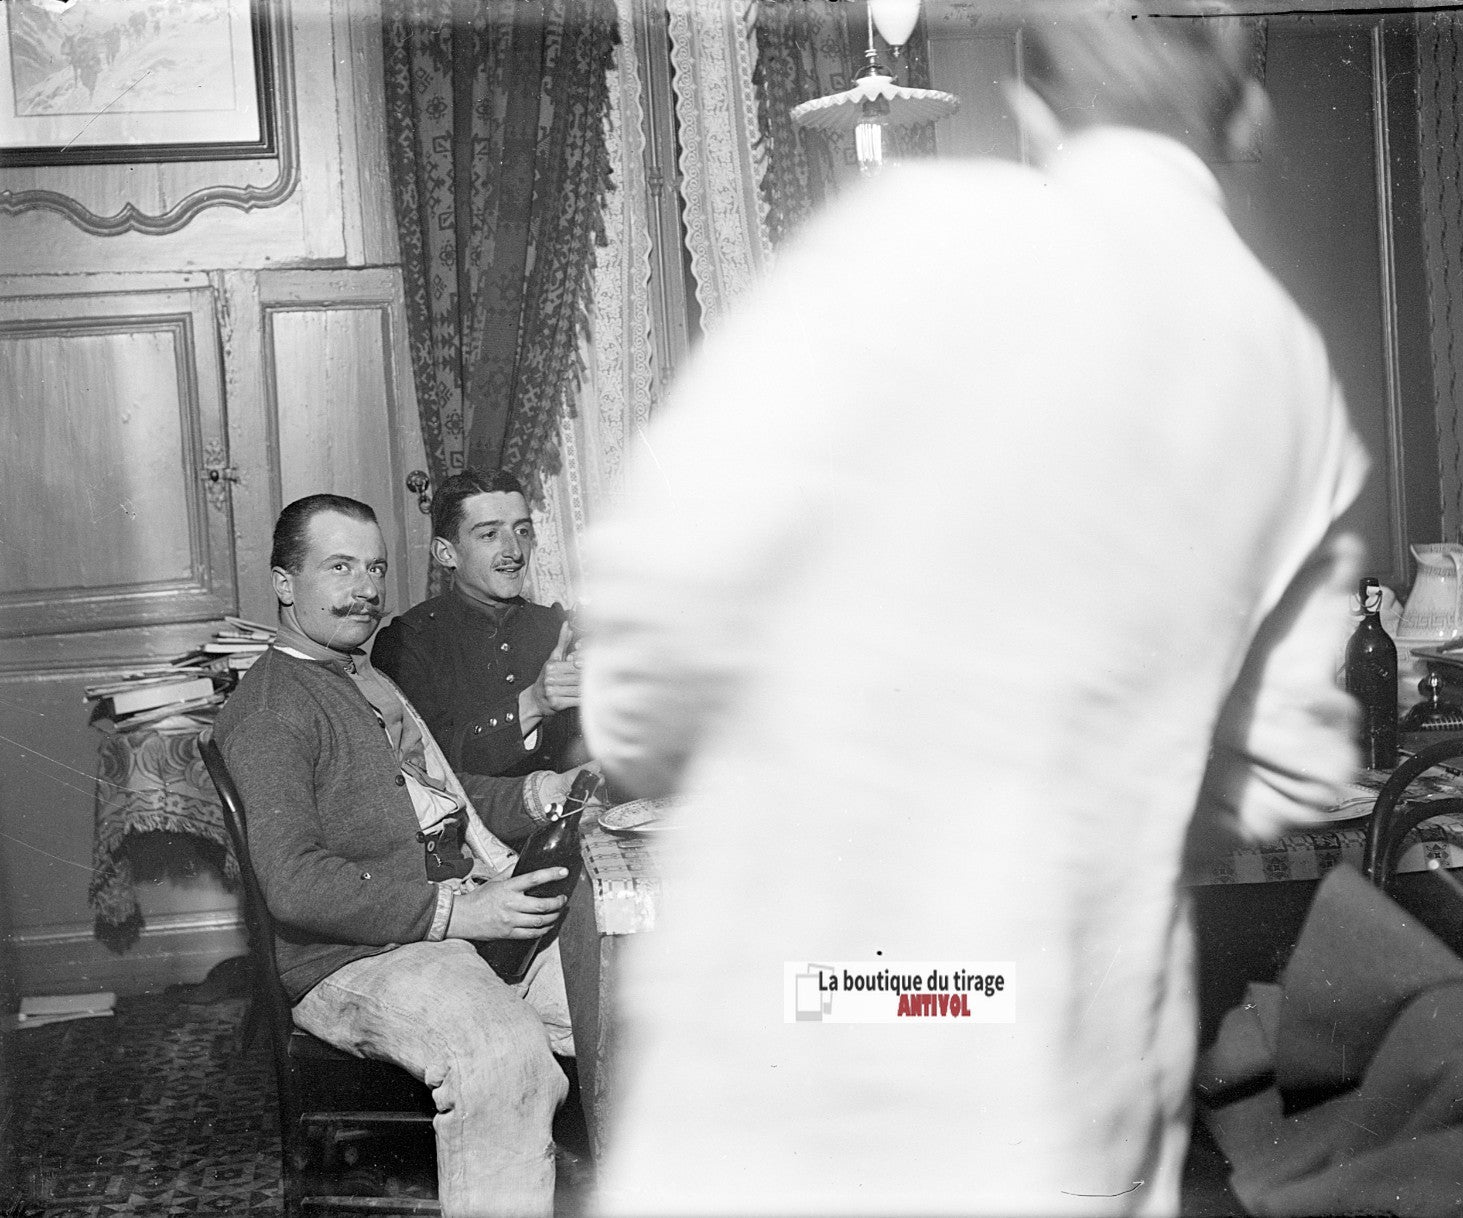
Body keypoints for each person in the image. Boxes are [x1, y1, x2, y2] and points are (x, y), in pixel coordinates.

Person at [577, 6, 1369, 1215]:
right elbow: (1293, 777)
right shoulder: (1291, 374)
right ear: (1245, 117)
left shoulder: (921, 234)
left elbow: (658, 615)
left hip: (820, 1016)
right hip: (1066, 1052)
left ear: (1035, 109)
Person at [213, 493, 583, 1218]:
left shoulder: (357, 674)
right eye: (339, 566)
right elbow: (293, 883)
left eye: (375, 568)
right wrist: (457, 909)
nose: (366, 588)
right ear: (285, 584)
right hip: (352, 958)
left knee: (621, 1001)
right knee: (501, 1058)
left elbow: (433, 793)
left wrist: (539, 791)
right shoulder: (271, 710)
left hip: (437, 924)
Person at [372, 469, 585, 778]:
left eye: (522, 531)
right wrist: (532, 704)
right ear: (446, 553)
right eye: (489, 534)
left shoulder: (556, 626)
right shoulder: (407, 642)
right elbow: (432, 768)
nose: (514, 551)